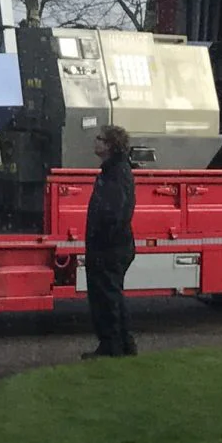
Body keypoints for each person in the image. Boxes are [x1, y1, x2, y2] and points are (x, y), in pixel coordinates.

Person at [83, 124, 137, 359]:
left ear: (110, 145)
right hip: (112, 246)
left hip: (109, 248)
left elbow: (114, 212)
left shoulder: (115, 173)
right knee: (112, 296)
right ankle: (123, 344)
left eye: (100, 138)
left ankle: (112, 346)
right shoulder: (115, 171)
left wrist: (100, 240)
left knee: (106, 298)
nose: (95, 142)